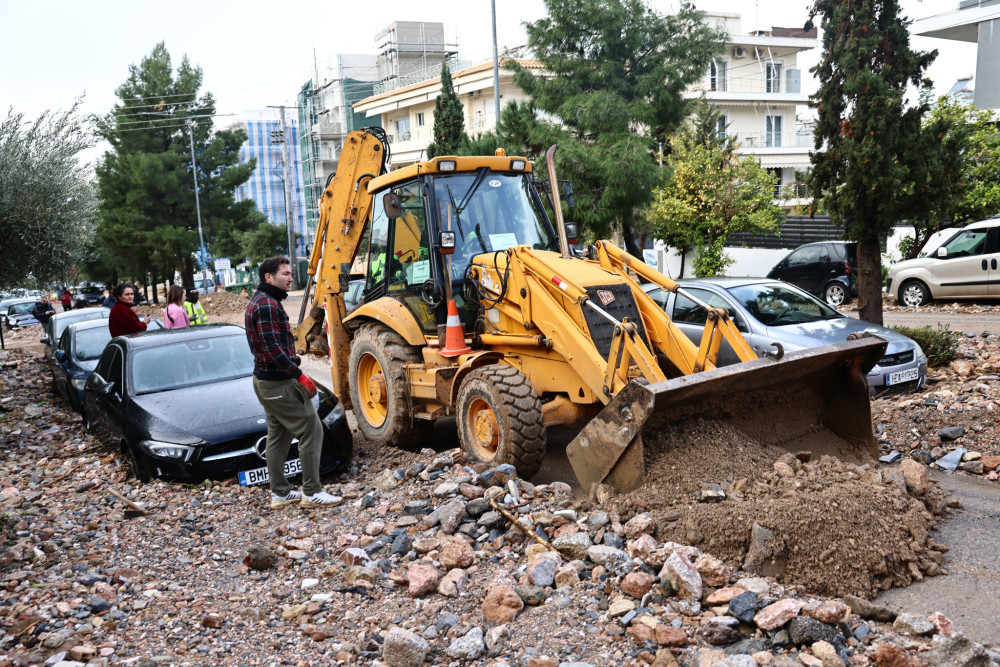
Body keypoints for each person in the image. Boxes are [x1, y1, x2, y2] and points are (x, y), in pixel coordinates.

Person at [245, 256, 337, 509]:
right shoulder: (267, 305)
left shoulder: (263, 301)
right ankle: (312, 492)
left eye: (289, 273)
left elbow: (271, 347)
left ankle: (281, 493)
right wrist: (299, 375)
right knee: (312, 430)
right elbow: (271, 348)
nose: (290, 277)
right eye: (285, 274)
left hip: (267, 381)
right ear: (269, 277)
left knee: (278, 435)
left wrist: (292, 358)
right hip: (278, 383)